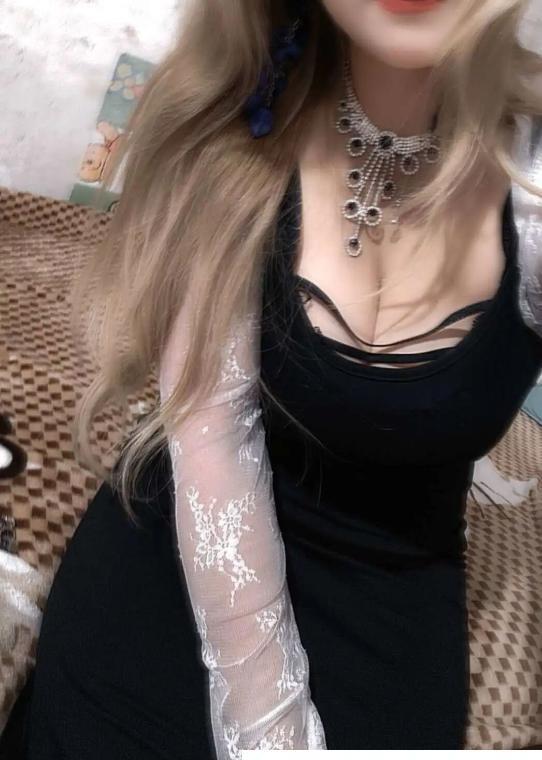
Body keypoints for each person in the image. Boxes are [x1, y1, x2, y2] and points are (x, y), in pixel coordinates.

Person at [3, 0, 542, 756]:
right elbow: (213, 436)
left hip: (387, 607)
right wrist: (271, 734)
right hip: (168, 562)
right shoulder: (238, 126)